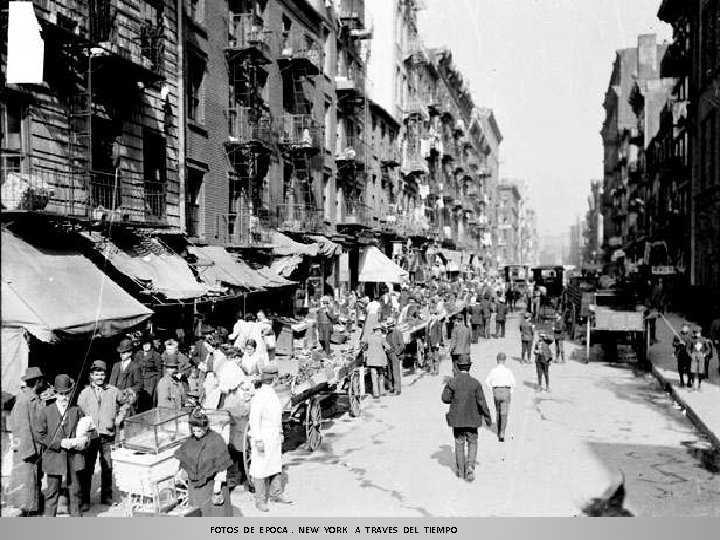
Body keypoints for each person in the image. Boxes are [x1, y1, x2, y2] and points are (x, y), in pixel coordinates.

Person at [35, 374, 86, 517]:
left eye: (66, 394)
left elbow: (89, 431)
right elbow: (40, 434)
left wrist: (83, 441)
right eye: (60, 394)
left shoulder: (77, 410)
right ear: (55, 394)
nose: (63, 397)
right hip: (54, 457)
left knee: (75, 492)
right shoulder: (46, 411)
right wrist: (59, 443)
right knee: (52, 493)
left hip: (74, 457)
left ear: (71, 393)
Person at [77, 360, 123, 510]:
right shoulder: (85, 393)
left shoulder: (113, 391)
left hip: (107, 435)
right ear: (91, 376)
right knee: (88, 468)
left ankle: (107, 496)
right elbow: (79, 412)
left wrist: (120, 416)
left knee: (107, 466)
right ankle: (85, 500)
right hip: (91, 435)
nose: (99, 377)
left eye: (102, 374)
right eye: (96, 374)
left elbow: (126, 402)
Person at [441, 355, 491, 482]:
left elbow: (445, 398)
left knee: (459, 443)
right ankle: (470, 466)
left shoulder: (452, 382)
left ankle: (460, 471)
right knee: (473, 442)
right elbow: (482, 402)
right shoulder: (475, 383)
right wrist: (487, 417)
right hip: (472, 419)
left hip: (457, 420)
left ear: (457, 366)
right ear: (470, 366)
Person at [174, 409, 233, 516]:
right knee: (196, 511)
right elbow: (185, 457)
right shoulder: (191, 441)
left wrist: (218, 486)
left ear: (205, 428)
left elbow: (222, 465)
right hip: (194, 487)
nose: (196, 434)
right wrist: (180, 473)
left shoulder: (216, 440)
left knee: (211, 514)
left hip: (211, 485)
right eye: (194, 431)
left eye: (199, 431)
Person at [248, 365, 290, 512]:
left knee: (275, 463)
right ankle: (260, 500)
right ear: (273, 379)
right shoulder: (260, 396)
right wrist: (258, 439)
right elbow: (254, 419)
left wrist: (280, 431)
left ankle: (276, 493)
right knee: (260, 467)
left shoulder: (272, 394)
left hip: (273, 435)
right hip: (263, 436)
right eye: (277, 378)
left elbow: (276, 416)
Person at [8, 367, 45, 516]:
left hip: (36, 447)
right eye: (41, 380)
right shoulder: (23, 401)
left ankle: (33, 507)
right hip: (28, 449)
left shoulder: (35, 398)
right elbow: (22, 429)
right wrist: (30, 451)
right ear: (37, 382)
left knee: (35, 480)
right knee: (27, 481)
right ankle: (28, 512)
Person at [484, 352, 516, 442]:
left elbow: (486, 382)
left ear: (497, 360)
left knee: (498, 411)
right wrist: (511, 392)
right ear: (504, 360)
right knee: (504, 413)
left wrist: (492, 390)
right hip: (506, 390)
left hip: (496, 391)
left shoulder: (494, 370)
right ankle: (502, 433)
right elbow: (514, 383)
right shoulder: (508, 371)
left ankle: (498, 430)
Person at [362, 324, 391, 398]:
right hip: (380, 360)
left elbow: (363, 345)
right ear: (379, 330)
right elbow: (387, 347)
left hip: (371, 360)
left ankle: (376, 393)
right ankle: (382, 391)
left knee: (373, 376)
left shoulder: (369, 337)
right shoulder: (381, 338)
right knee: (381, 375)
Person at [133, 335, 161, 412]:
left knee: (149, 400)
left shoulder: (156, 354)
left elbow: (159, 370)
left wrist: (158, 383)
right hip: (140, 378)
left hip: (151, 381)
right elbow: (135, 366)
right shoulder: (138, 354)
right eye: (144, 344)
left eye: (147, 344)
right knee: (140, 398)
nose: (145, 346)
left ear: (151, 344)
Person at [385, 319, 405, 395]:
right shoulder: (388, 334)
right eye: (388, 326)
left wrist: (397, 353)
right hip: (388, 354)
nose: (389, 328)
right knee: (389, 372)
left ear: (393, 325)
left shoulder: (397, 332)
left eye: (391, 326)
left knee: (396, 372)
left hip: (394, 354)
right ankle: (391, 388)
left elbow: (402, 345)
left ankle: (397, 389)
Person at [673, 324, 693, 388]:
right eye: (683, 328)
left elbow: (694, 343)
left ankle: (689, 382)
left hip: (689, 354)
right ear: (681, 329)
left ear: (688, 329)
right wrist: (679, 343)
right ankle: (681, 380)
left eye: (686, 328)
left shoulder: (691, 336)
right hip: (680, 354)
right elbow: (673, 343)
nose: (684, 330)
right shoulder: (677, 335)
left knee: (689, 368)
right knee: (680, 368)